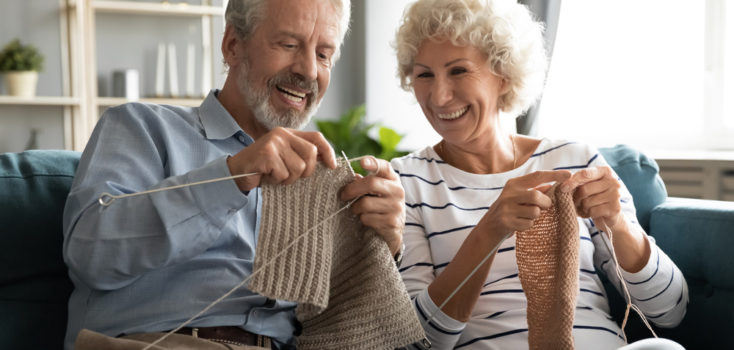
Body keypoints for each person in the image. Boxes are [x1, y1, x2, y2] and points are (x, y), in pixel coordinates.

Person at [62, 0, 406, 349]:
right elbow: (91, 255)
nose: (308, 71)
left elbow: (348, 329)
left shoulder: (324, 177)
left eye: (323, 55)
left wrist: (385, 248)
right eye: (288, 45)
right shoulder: (144, 127)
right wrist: (233, 175)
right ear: (232, 45)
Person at [390, 0, 688, 349]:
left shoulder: (576, 158)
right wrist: (490, 231)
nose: (439, 96)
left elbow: (671, 311)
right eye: (424, 74)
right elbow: (418, 343)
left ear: (503, 75)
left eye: (458, 71)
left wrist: (619, 226)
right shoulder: (405, 182)